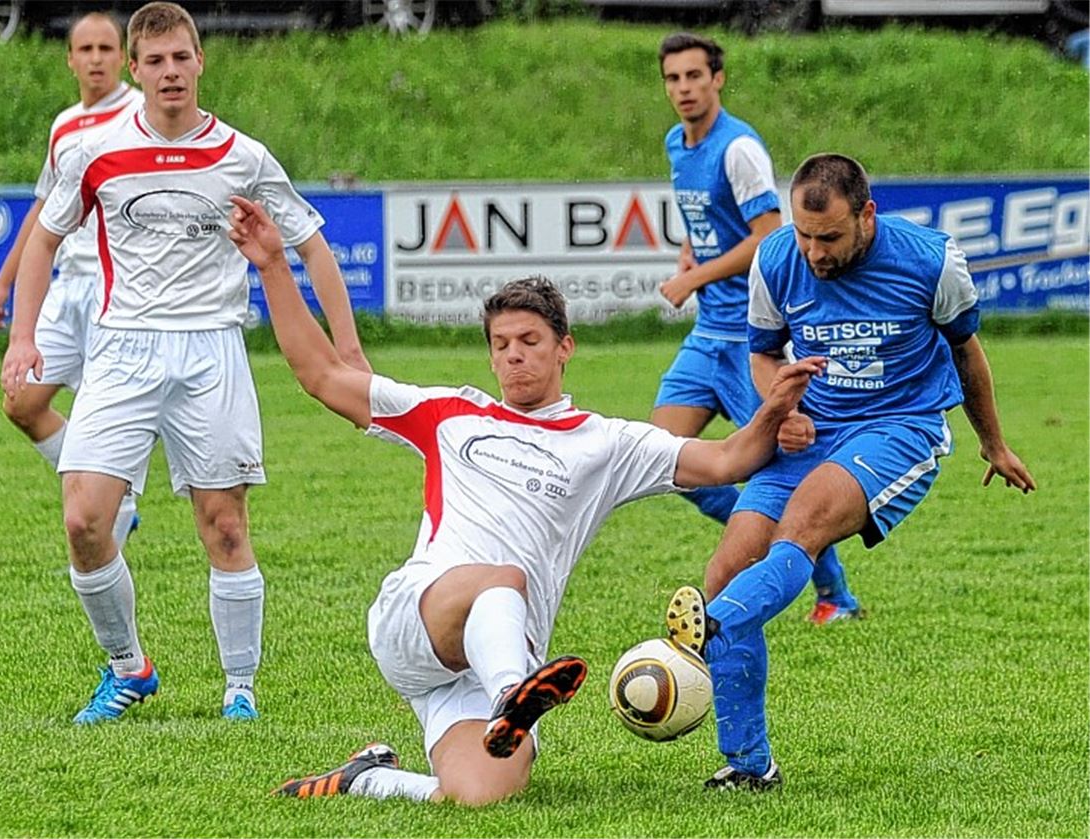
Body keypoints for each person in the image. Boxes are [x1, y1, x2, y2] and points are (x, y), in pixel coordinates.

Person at [225, 195, 827, 806]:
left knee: (479, 796)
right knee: (502, 579)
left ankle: (369, 776)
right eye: (501, 343)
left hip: (483, 662)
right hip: (419, 617)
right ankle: (515, 692)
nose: (513, 354)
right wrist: (274, 263)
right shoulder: (450, 414)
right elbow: (321, 376)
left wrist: (774, 409)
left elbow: (727, 461)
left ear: (564, 347)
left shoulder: (606, 442)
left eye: (530, 340)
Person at [0, 1, 370, 724]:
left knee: (225, 524)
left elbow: (314, 244)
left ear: (200, 62)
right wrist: (24, 336)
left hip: (211, 348)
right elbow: (42, 240)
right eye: (156, 61)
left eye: (181, 58)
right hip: (122, 345)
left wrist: (349, 349)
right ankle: (128, 667)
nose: (170, 72)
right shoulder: (94, 150)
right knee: (84, 519)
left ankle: (240, 690)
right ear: (136, 71)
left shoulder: (243, 155)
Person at [664, 152, 1036, 790]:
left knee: (801, 525)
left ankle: (713, 626)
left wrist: (993, 444)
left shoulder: (931, 260)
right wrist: (783, 408)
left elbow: (967, 352)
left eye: (829, 237)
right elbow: (761, 356)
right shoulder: (776, 259)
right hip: (815, 431)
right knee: (727, 567)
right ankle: (751, 767)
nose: (814, 253)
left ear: (867, 215)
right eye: (805, 236)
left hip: (901, 426)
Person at [652, 32, 859, 624]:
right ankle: (761, 522)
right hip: (706, 337)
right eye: (674, 79)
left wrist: (695, 281)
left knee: (784, 467)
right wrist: (688, 259)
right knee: (671, 462)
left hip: (750, 335)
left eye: (695, 76)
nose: (685, 89)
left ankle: (835, 595)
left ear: (717, 79)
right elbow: (700, 215)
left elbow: (769, 235)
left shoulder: (738, 148)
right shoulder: (677, 143)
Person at [0, 11, 143, 549]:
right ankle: (120, 497)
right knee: (22, 401)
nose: (96, 58)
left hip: (116, 289)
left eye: (106, 48)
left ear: (123, 57)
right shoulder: (64, 125)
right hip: (66, 286)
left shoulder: (140, 114)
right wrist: (3, 285)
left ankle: (108, 499)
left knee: (106, 418)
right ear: (70, 59)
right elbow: (45, 213)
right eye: (86, 49)